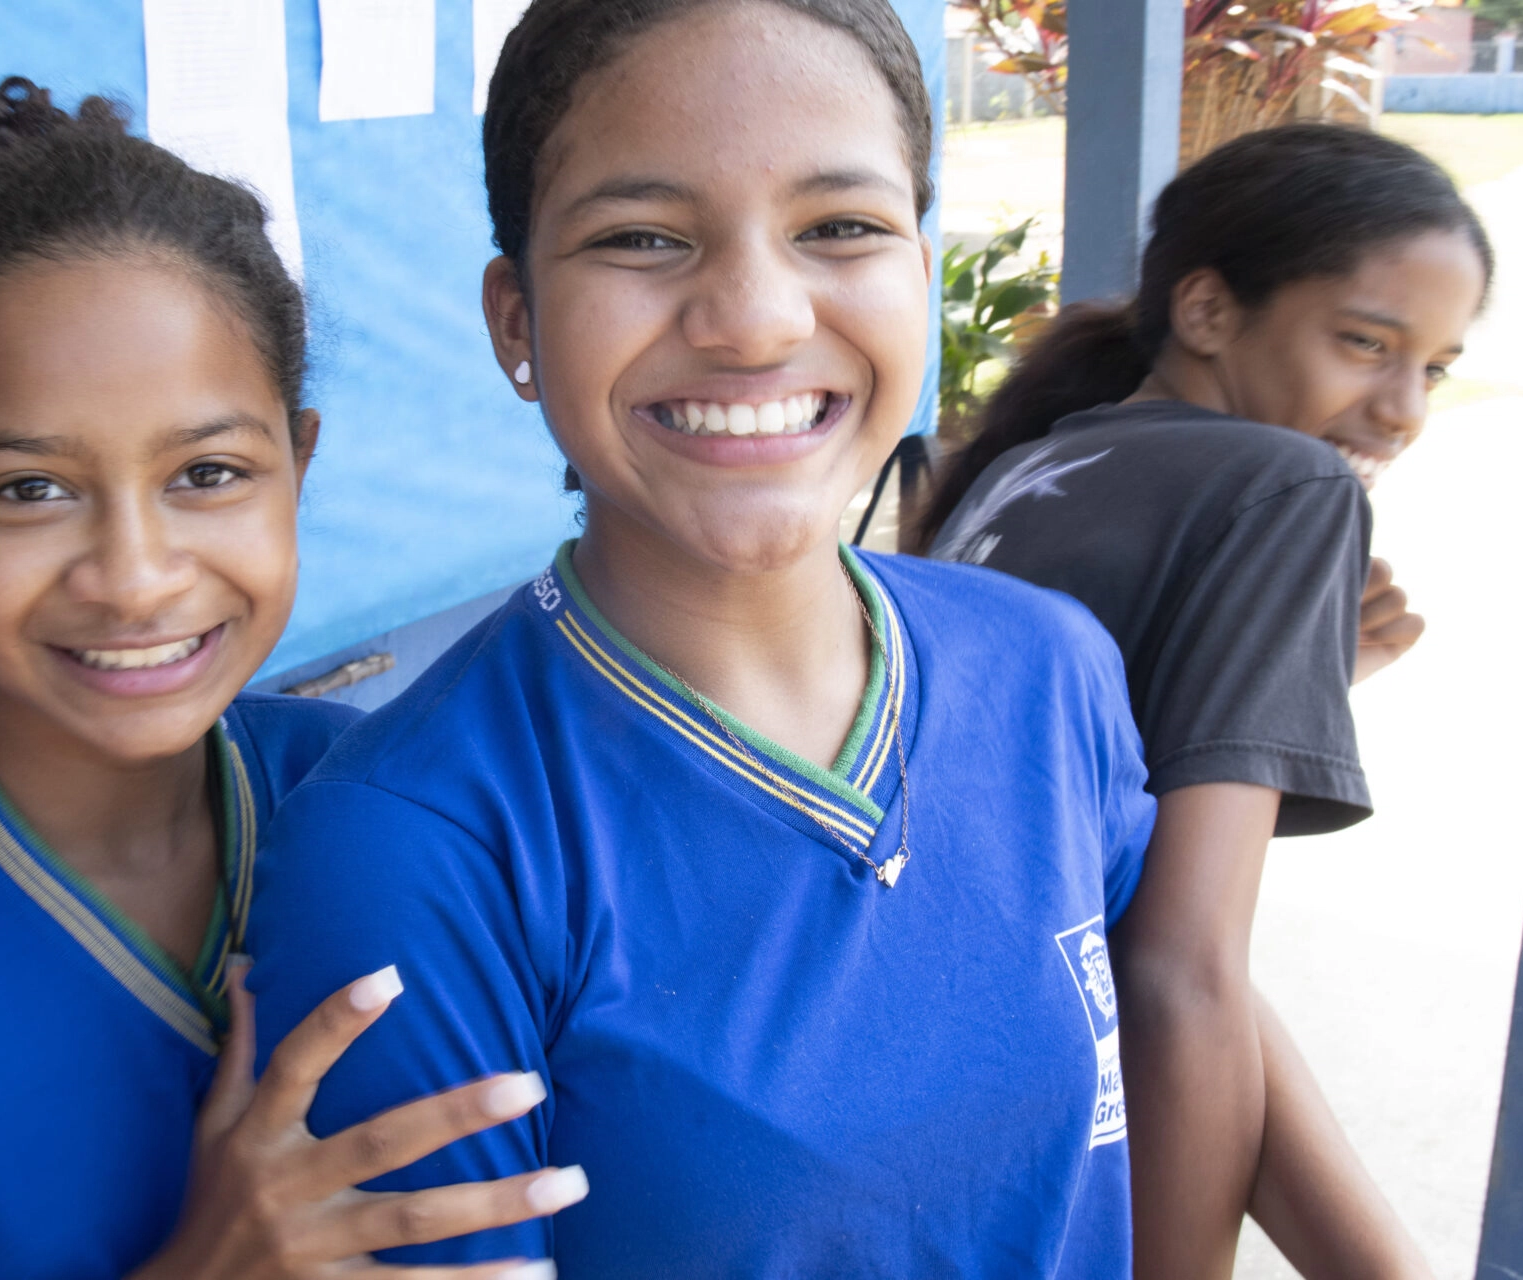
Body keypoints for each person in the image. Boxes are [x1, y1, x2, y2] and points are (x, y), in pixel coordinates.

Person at [246, 2, 1154, 1275]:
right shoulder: (416, 847)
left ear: (924, 265)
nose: (755, 318)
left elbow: (1165, 1025)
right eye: (643, 238)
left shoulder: (1051, 668)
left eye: (839, 227)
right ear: (517, 321)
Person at [0, 79, 581, 1280]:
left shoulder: (373, 806)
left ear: (297, 465)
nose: (135, 579)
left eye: (206, 472)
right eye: (30, 488)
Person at [911, 124, 1493, 1279]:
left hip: (919, 1009)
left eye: (1433, 366)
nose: (1403, 407)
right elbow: (1174, 961)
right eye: (1365, 344)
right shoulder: (1287, 482)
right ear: (1211, 310)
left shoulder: (1034, 459)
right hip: (1011, 1057)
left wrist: (1289, 693)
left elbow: (1085, 811)